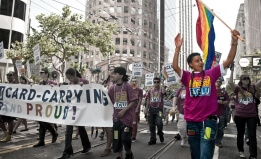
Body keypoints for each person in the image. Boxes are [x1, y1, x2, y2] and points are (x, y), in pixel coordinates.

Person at [172, 29, 240, 159]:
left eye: (201, 60)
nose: (201, 62)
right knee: (195, 153)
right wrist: (177, 48)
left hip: (208, 121)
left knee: (205, 153)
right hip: (191, 122)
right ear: (191, 64)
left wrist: (234, 42)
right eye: (197, 61)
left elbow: (229, 60)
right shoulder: (187, 76)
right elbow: (175, 67)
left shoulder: (211, 73)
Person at [57, 68, 91, 159]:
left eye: (70, 77)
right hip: (71, 110)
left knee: (81, 128)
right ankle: (67, 152)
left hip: (80, 110)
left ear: (75, 75)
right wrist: (62, 87)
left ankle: (87, 146)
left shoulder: (84, 81)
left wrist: (83, 87)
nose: (69, 80)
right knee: (68, 131)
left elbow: (90, 93)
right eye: (67, 78)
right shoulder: (70, 84)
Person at [229, 66, 261, 159]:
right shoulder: (237, 89)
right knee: (240, 133)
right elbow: (230, 82)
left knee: (252, 135)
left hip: (251, 115)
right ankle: (241, 151)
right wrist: (232, 70)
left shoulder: (253, 87)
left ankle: (253, 155)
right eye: (244, 78)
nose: (246, 80)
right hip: (240, 115)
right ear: (241, 80)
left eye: (248, 78)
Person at [108, 67, 137, 159]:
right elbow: (108, 100)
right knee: (116, 137)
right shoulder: (112, 88)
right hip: (116, 118)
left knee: (125, 138)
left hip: (127, 118)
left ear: (121, 75)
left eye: (115, 74)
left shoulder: (128, 86)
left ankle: (128, 152)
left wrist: (124, 110)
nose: (113, 75)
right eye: (113, 73)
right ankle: (119, 156)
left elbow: (134, 101)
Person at [33, 68, 58, 147]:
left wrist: (52, 87)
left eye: (42, 72)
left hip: (50, 105)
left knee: (43, 121)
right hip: (42, 105)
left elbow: (58, 90)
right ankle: (42, 140)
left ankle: (53, 133)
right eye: (40, 72)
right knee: (41, 122)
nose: (40, 74)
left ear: (46, 74)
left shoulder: (52, 82)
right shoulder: (40, 83)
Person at [145, 77, 166, 145]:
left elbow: (163, 92)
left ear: (159, 83)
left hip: (159, 110)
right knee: (151, 125)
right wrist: (146, 109)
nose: (156, 83)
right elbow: (148, 100)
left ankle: (160, 133)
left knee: (159, 122)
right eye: (155, 82)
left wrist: (162, 83)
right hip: (151, 109)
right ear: (153, 83)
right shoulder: (150, 90)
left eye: (157, 82)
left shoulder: (161, 89)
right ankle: (153, 139)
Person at [100, 65, 115, 157]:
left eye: (114, 70)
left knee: (110, 129)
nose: (112, 71)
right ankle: (111, 143)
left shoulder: (118, 83)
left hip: (114, 108)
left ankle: (108, 147)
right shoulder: (105, 82)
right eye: (110, 70)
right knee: (105, 128)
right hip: (105, 108)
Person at [0, 71, 18, 142]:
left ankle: (9, 135)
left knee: (10, 120)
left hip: (11, 105)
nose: (8, 76)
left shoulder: (15, 84)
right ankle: (5, 132)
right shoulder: (6, 84)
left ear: (13, 76)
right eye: (7, 75)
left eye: (10, 75)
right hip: (4, 105)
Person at [215, 78, 229, 148]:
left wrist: (223, 102)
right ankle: (210, 140)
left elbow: (227, 100)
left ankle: (218, 141)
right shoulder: (210, 90)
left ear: (221, 83)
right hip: (211, 113)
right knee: (211, 127)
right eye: (217, 81)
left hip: (221, 113)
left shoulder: (224, 92)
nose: (218, 83)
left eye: (219, 82)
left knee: (220, 128)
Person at [130, 78, 143, 142]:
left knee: (134, 122)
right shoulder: (129, 89)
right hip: (129, 108)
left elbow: (140, 99)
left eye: (135, 81)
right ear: (131, 82)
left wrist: (138, 108)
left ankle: (133, 136)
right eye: (133, 81)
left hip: (135, 108)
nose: (134, 82)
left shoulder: (139, 90)